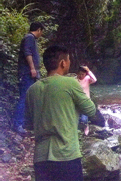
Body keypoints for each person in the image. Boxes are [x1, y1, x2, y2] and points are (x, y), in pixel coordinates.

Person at [25, 45, 96, 181]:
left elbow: (29, 124)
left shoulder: (32, 90)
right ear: (63, 63)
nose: (69, 63)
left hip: (41, 158)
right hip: (66, 155)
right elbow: (91, 110)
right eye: (68, 60)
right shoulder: (70, 83)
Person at [13, 21, 44, 135]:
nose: (41, 34)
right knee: (24, 98)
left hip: (29, 74)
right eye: (41, 32)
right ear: (39, 30)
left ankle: (26, 123)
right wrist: (32, 68)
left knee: (30, 98)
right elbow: (27, 53)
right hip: (27, 73)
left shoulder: (30, 39)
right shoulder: (29, 38)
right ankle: (18, 124)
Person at [76, 65, 97, 135]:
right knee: (77, 118)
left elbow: (94, 80)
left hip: (86, 101)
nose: (81, 76)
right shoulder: (75, 80)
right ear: (77, 73)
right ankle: (78, 130)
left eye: (83, 74)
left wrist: (88, 71)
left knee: (84, 119)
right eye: (80, 74)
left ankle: (86, 127)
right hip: (77, 101)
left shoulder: (87, 79)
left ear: (85, 74)